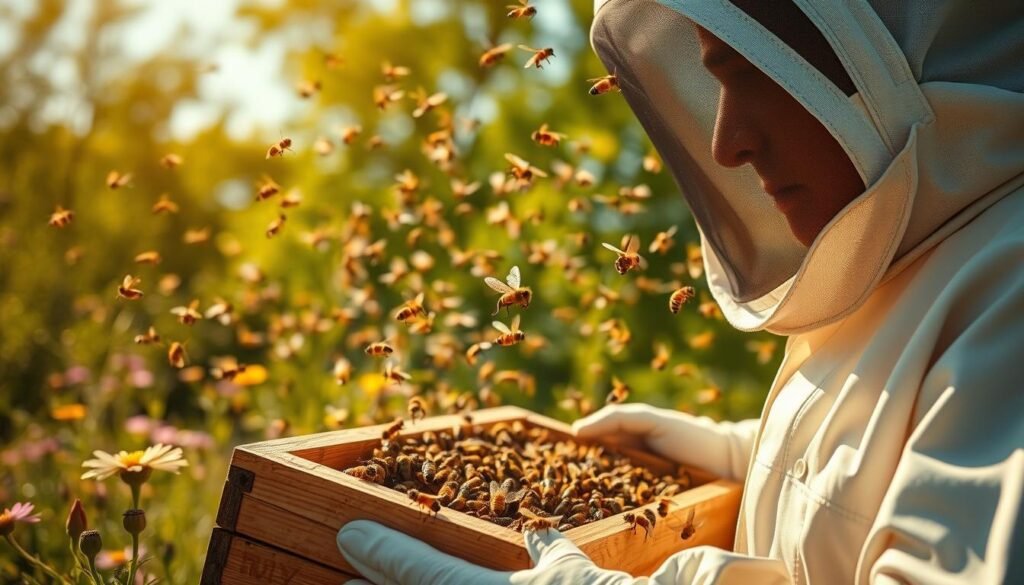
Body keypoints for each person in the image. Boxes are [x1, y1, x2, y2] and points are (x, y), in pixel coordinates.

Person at [336, 0, 1024, 582]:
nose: (726, 143)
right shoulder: (921, 257)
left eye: (750, 71)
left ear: (884, 53)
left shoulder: (1010, 284)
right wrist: (754, 453)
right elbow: (907, 450)